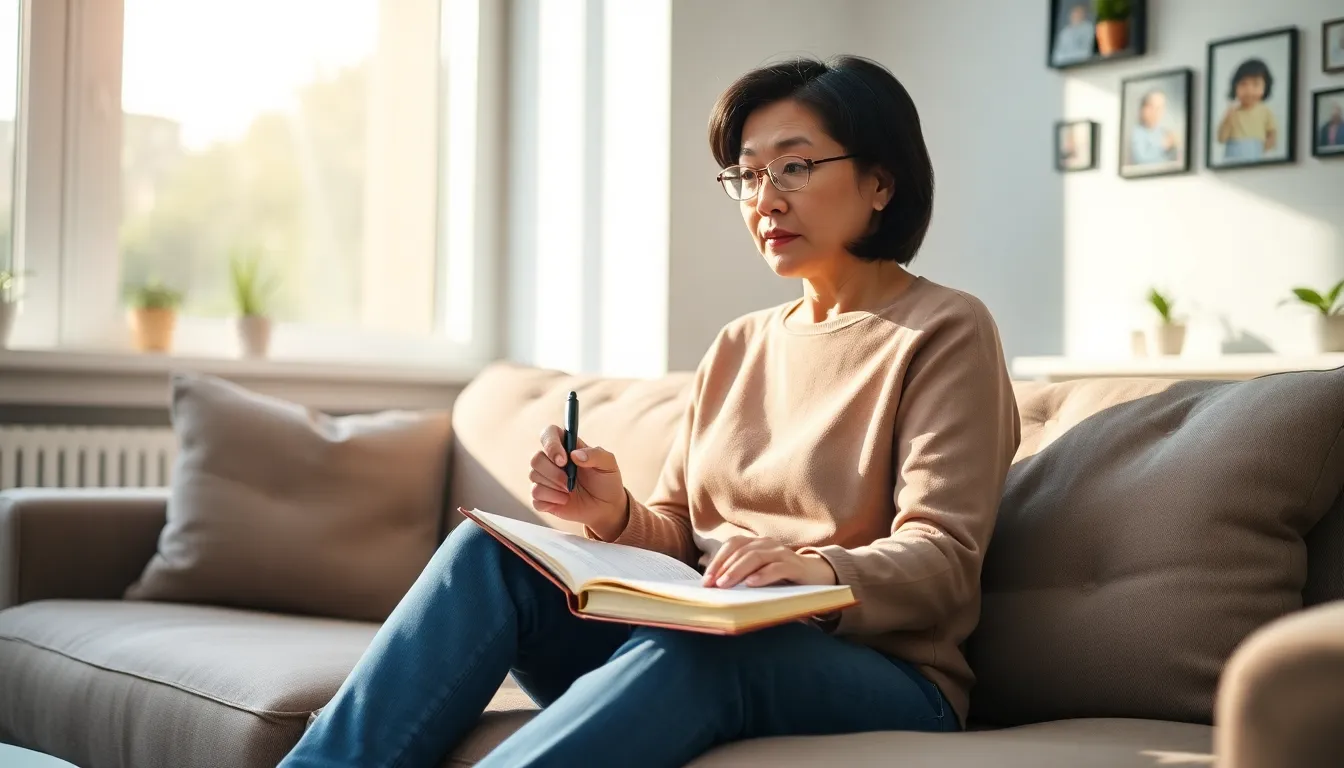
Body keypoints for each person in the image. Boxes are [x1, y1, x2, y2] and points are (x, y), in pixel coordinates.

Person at [279, 54, 1021, 768]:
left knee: (710, 643)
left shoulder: (945, 329)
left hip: (879, 675)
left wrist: (812, 569)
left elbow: (944, 557)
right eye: (748, 175)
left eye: (793, 167)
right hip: (694, 637)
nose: (764, 199)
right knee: (490, 555)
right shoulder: (739, 344)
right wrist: (614, 515)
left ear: (880, 182)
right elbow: (676, 537)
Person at [1216, 58, 1277, 162]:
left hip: (1256, 153)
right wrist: (1227, 118)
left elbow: (1272, 134)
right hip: (1233, 157)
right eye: (1243, 84)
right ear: (1235, 86)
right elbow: (1221, 139)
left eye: (1255, 84)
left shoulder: (1265, 111)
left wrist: (1265, 149)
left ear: (1265, 87)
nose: (1249, 90)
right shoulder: (1233, 113)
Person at [1128, 88, 1180, 166]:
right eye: (1151, 107)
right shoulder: (1136, 132)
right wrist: (1163, 146)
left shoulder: (1163, 132)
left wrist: (1174, 146)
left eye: (1159, 108)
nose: (1155, 112)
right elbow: (1140, 159)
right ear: (1142, 109)